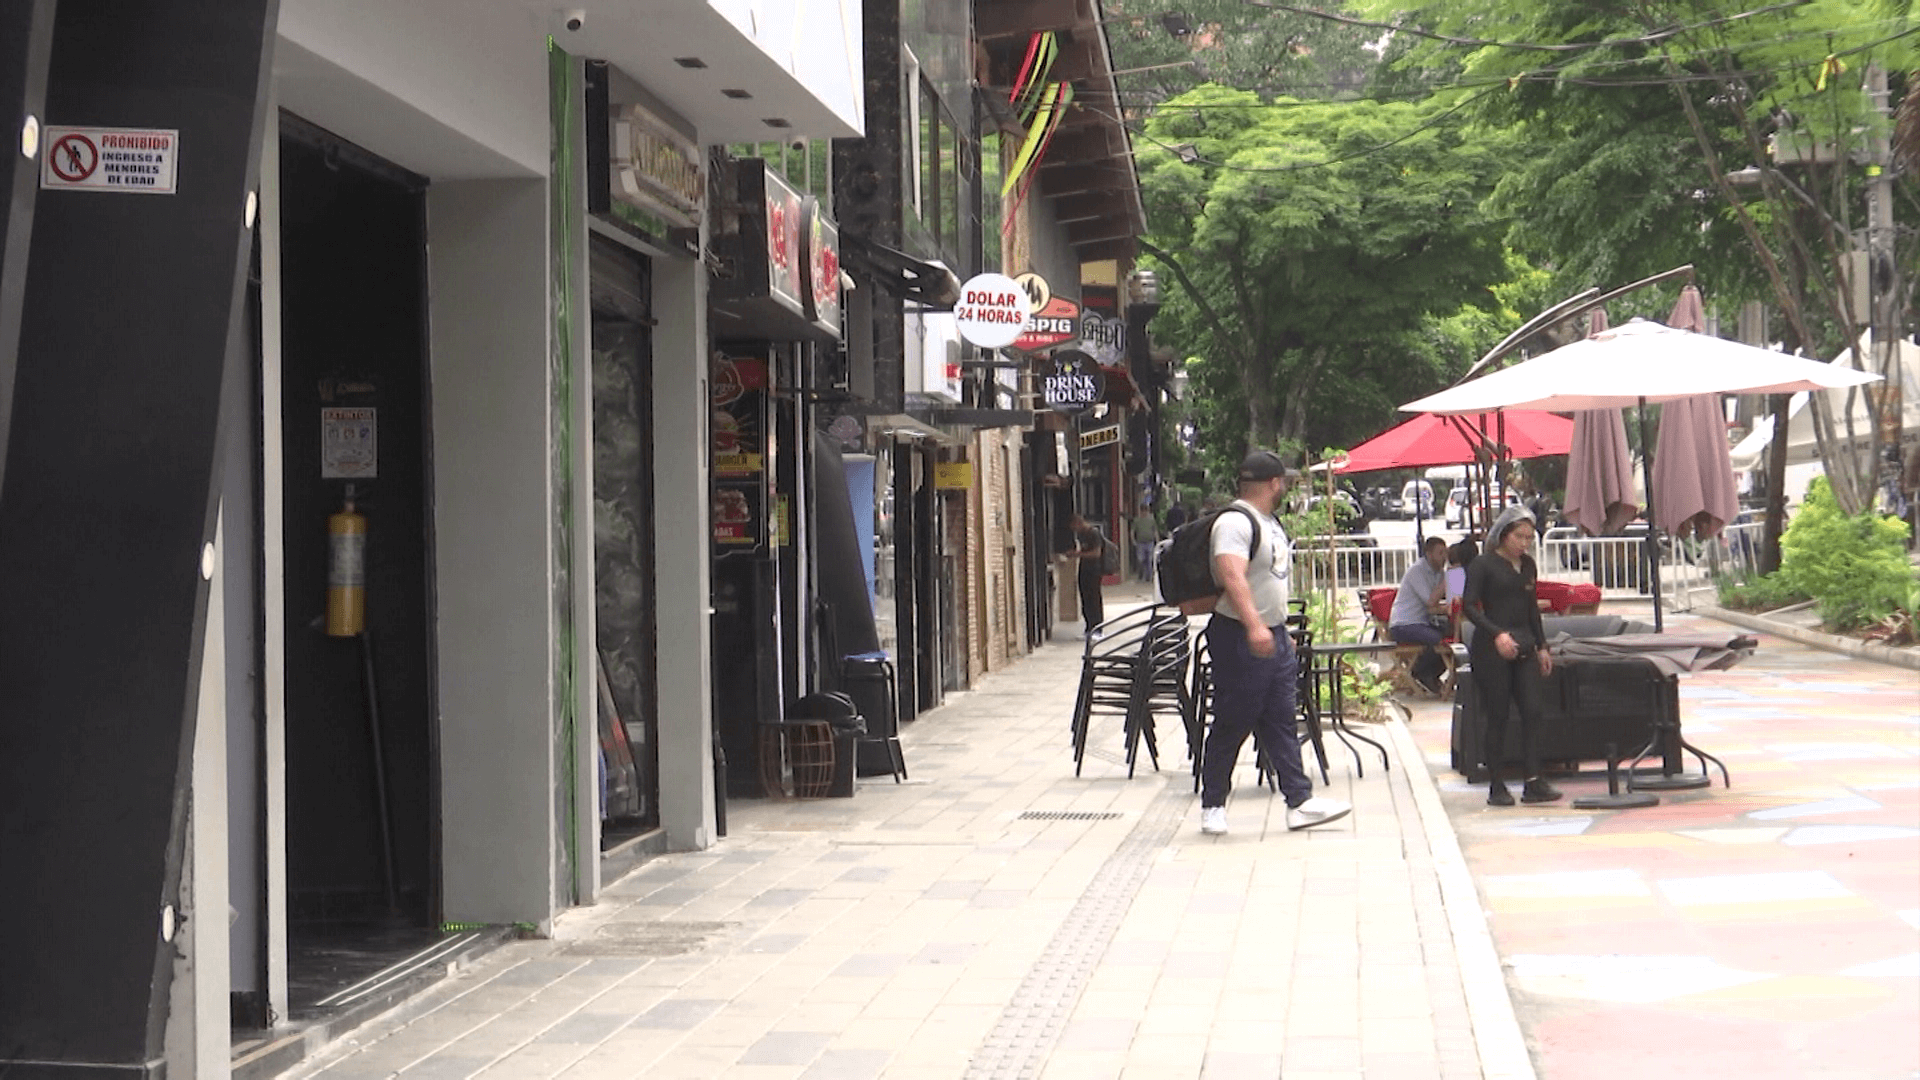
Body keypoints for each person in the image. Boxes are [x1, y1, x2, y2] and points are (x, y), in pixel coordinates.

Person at [1198, 451, 1352, 836]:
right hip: (1240, 633)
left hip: (1274, 634)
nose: (1285, 486)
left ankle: (1298, 801)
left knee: (1281, 717)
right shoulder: (1236, 522)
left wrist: (1278, 632)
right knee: (1235, 719)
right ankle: (1213, 802)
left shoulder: (1269, 522)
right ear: (1273, 483)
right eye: (1284, 481)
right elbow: (1232, 575)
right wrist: (1254, 626)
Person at [1461, 506, 1561, 807]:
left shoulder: (1527, 566)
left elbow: (1532, 608)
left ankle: (1533, 779)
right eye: (1519, 536)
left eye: (1529, 538)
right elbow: (1467, 605)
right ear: (1503, 535)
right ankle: (1496, 783)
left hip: (1525, 643)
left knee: (1533, 710)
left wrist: (1542, 645)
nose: (1524, 543)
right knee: (1498, 714)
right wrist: (1497, 634)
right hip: (1493, 647)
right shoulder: (1481, 564)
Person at [1388, 536, 1452, 695]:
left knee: (1453, 636)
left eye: (1446, 553)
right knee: (1439, 641)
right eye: (1440, 553)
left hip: (1423, 622)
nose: (1444, 557)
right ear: (1429, 554)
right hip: (1404, 624)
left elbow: (1449, 600)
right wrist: (1447, 581)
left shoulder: (1440, 573)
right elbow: (1430, 602)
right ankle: (1421, 672)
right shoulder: (1417, 571)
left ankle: (1432, 674)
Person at [1068, 513, 1106, 630]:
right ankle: (1089, 626)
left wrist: (1078, 554)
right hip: (1084, 569)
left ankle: (1097, 627)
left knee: (1094, 598)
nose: (1075, 530)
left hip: (1094, 570)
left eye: (1075, 527)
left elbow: (1096, 553)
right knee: (1085, 599)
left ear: (1079, 522)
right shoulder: (1082, 535)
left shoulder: (1093, 533)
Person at [1130, 509, 1159, 582]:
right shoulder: (1137, 520)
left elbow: (1155, 530)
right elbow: (1132, 531)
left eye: (1145, 511)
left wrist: (1157, 541)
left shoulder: (1151, 520)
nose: (1144, 513)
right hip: (1140, 543)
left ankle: (1148, 577)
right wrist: (1133, 540)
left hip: (1150, 542)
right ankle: (1141, 573)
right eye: (1143, 511)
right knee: (1140, 559)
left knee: (1149, 560)